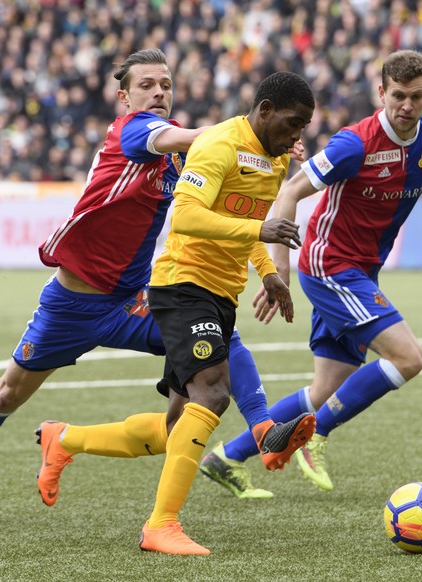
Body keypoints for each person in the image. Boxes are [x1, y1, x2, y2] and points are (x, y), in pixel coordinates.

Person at [0, 49, 312, 524]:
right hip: (72, 303)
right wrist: (249, 141)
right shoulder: (134, 130)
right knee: (7, 395)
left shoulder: (187, 157)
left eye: (165, 83)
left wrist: (266, 259)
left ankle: (260, 429)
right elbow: (199, 138)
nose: (158, 92)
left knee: (215, 354)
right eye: (146, 85)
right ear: (124, 97)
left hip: (132, 300)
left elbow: (231, 214)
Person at [199, 50, 422, 498]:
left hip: (363, 271)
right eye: (397, 95)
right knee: (407, 359)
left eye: (416, 96)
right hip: (329, 265)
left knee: (324, 388)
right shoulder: (354, 143)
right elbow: (289, 193)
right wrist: (277, 269)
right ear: (382, 93)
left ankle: (226, 457)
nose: (406, 105)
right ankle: (316, 433)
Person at [131, 70, 314, 555]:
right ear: (266, 109)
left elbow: (250, 223)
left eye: (305, 128)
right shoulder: (217, 143)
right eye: (293, 123)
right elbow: (188, 215)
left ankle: (65, 441)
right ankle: (161, 526)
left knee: (175, 423)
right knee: (212, 394)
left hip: (220, 293)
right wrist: (261, 236)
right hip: (181, 281)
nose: (297, 137)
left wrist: (269, 274)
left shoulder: (273, 160)